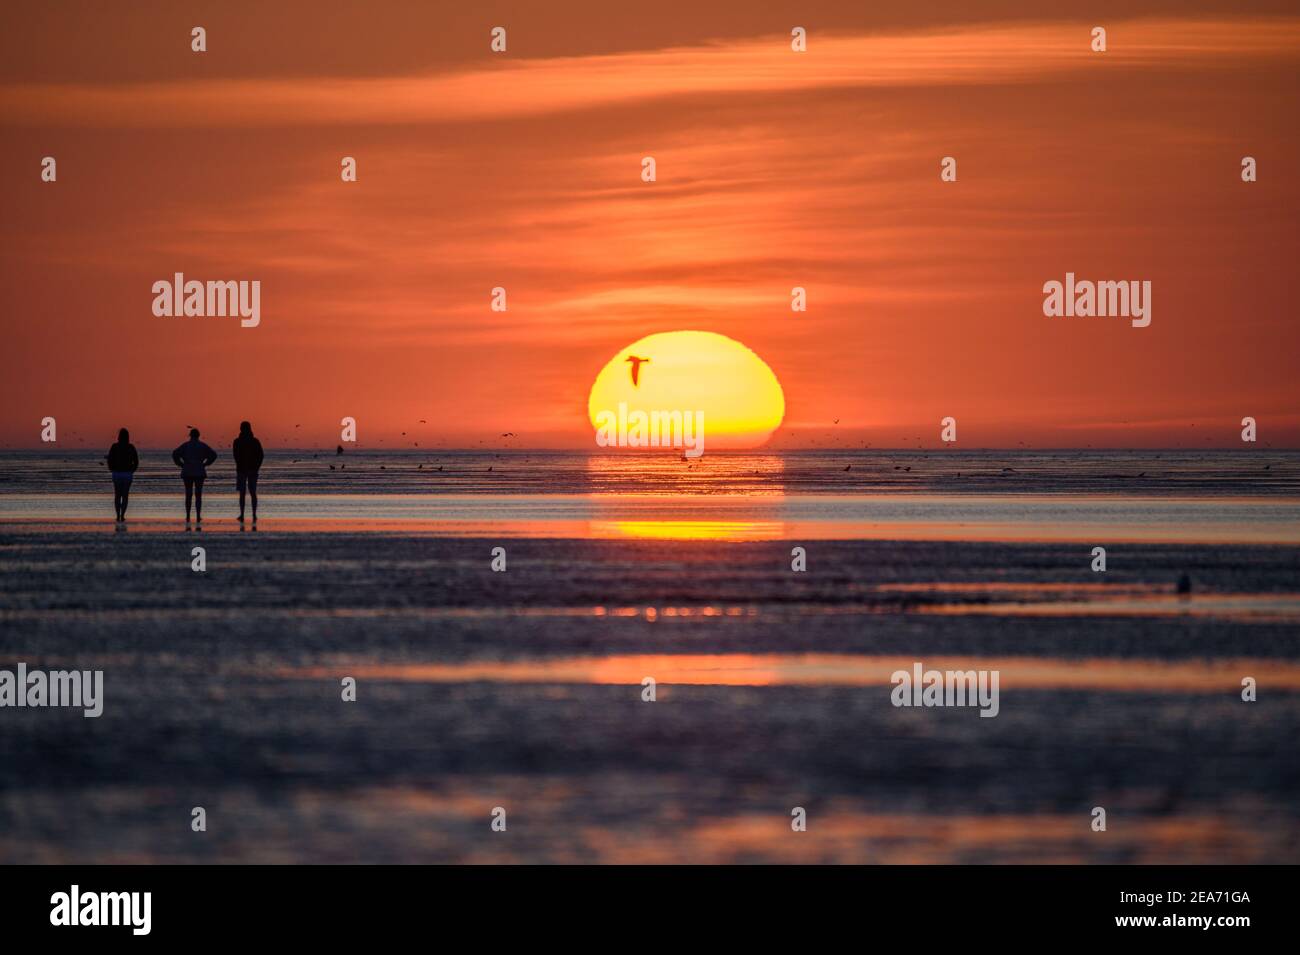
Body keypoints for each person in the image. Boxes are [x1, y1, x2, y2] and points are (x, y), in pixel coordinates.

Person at [172, 428, 217, 524]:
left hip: (187, 471)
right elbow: (214, 455)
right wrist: (206, 463)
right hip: (199, 471)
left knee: (188, 494)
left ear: (190, 435)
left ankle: (188, 515)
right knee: (198, 495)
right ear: (198, 435)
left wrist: (180, 464)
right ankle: (198, 515)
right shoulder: (202, 446)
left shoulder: (186, 445)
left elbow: (175, 453)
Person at [232, 421, 264, 523]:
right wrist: (256, 467)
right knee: (252, 492)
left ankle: (243, 514)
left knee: (243, 493)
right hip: (251, 469)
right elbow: (261, 455)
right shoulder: (255, 441)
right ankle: (254, 515)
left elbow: (236, 456)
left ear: (241, 429)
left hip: (242, 470)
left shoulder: (237, 441)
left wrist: (240, 465)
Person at [105, 428, 139, 522]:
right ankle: (122, 515)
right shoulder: (131, 447)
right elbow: (136, 461)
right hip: (127, 474)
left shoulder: (115, 446)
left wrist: (111, 469)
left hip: (117, 473)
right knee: (125, 496)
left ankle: (117, 515)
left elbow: (110, 459)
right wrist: (132, 470)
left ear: (119, 436)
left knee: (117, 495)